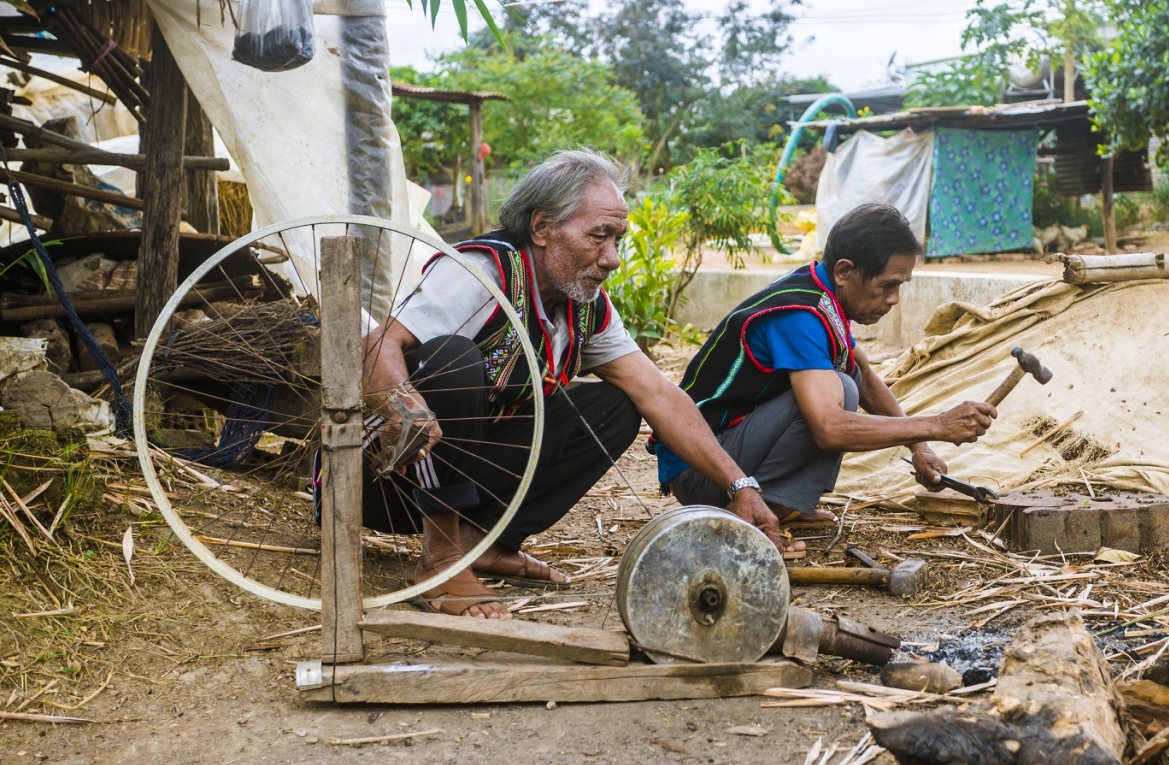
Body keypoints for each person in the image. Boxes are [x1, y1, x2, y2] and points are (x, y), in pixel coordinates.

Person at [360, 150, 785, 618]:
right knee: (450, 359)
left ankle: (483, 543)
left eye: (618, 239)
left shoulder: (584, 304)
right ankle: (440, 560)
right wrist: (404, 407)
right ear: (542, 228)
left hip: (472, 486)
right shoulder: (482, 273)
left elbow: (658, 394)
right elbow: (380, 344)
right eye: (598, 236)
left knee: (617, 404)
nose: (613, 259)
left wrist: (739, 485)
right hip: (388, 479)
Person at [654, 203, 996, 537]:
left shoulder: (822, 291)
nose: (894, 299)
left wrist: (919, 446)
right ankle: (760, 509)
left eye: (900, 286)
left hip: (726, 449)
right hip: (701, 471)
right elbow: (828, 429)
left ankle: (783, 502)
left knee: (849, 379)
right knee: (839, 390)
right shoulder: (800, 316)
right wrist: (937, 424)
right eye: (887, 285)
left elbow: (866, 375)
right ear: (845, 271)